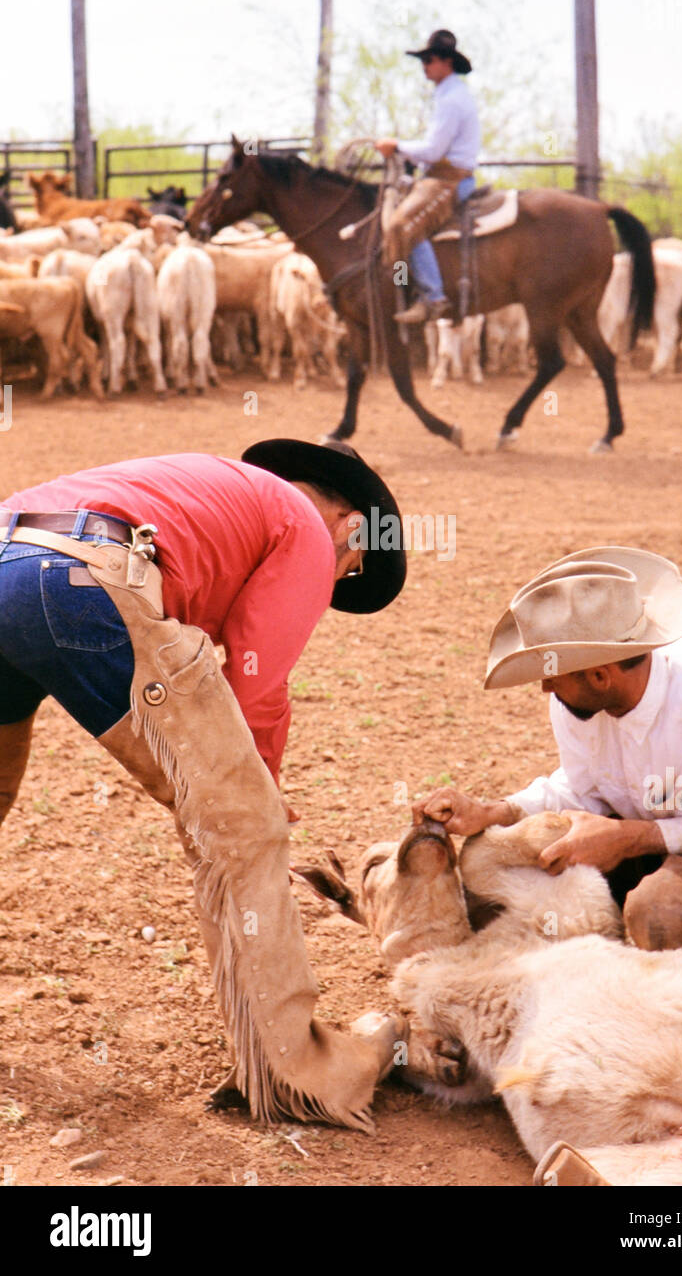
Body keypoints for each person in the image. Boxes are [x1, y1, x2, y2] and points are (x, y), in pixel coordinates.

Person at [0, 439, 407, 1130]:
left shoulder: (212, 495)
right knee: (241, 824)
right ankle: (293, 1074)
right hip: (84, 583)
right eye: (351, 567)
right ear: (350, 526)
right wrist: (262, 791)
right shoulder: (307, 529)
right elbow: (256, 677)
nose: (333, 581)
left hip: (12, 556)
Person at [413, 545, 682, 974]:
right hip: (670, 824)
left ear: (599, 676)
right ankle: (642, 970)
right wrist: (496, 811)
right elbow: (588, 786)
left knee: (658, 914)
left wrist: (630, 838)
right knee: (505, 869)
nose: (545, 689)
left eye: (551, 676)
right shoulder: (583, 701)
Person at [375, 28, 481, 323]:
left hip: (449, 179)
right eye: (422, 59)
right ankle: (404, 287)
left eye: (429, 59)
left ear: (446, 62)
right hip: (439, 176)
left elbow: (433, 151)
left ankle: (433, 297)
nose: (424, 65)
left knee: (400, 226)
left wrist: (396, 146)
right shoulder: (449, 95)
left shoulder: (451, 101)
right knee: (395, 218)